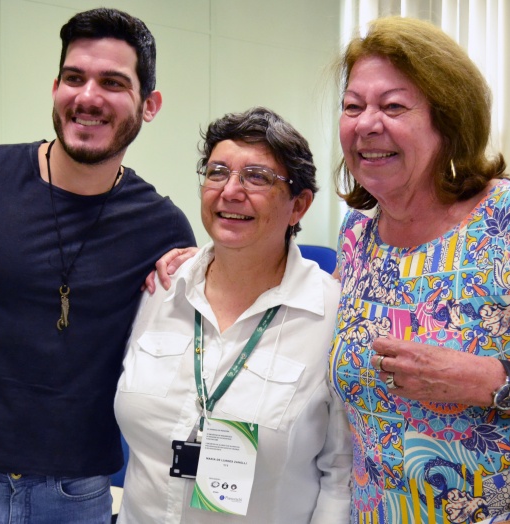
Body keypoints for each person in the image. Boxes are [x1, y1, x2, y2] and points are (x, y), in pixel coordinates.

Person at [150, 16, 510, 524]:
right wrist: (221, 260)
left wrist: (486, 378)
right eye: (353, 107)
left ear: (448, 121)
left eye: (393, 106)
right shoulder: (360, 233)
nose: (367, 124)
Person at [0, 8, 194, 524]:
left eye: (112, 82)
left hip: (80, 495)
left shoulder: (162, 228)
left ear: (149, 104)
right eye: (74, 78)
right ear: (56, 87)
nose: (87, 97)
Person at [114, 107, 352, 523]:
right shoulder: (161, 289)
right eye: (218, 171)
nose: (230, 190)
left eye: (257, 177)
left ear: (299, 206)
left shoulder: (331, 315)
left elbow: (340, 476)